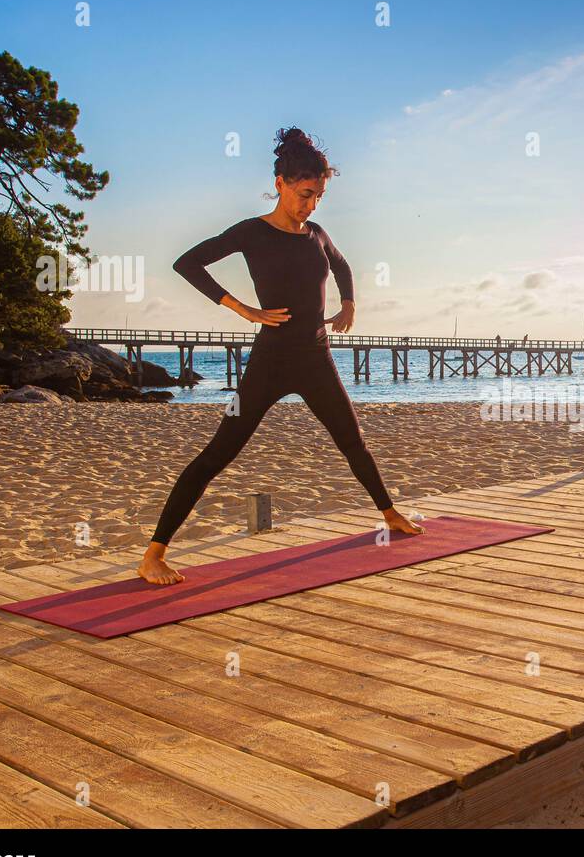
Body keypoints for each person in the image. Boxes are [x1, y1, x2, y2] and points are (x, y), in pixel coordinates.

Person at [138, 126, 423, 585]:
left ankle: (389, 514)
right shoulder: (252, 233)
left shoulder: (317, 234)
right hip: (269, 363)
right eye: (305, 194)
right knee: (217, 454)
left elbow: (343, 265)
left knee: (353, 442)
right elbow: (187, 263)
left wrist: (349, 303)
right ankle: (153, 555)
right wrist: (242, 308)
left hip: (317, 358)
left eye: (318, 197)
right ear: (281, 184)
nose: (310, 205)